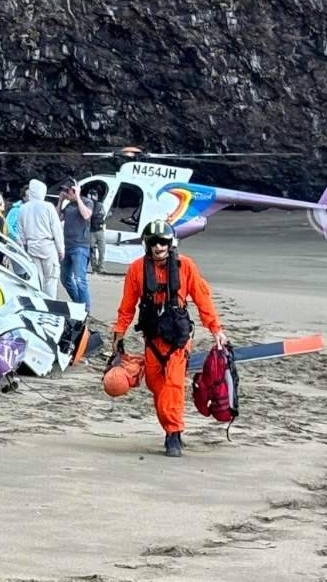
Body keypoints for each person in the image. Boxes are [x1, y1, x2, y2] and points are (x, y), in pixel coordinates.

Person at [110, 218, 228, 458]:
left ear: (170, 244)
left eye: (162, 242)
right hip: (153, 339)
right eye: (153, 242)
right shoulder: (135, 270)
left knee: (173, 385)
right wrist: (119, 335)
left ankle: (173, 435)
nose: (158, 247)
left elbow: (203, 299)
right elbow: (127, 307)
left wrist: (216, 329)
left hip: (178, 339)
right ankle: (170, 426)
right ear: (147, 244)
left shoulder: (186, 267)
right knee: (156, 385)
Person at [18, 179, 64, 297]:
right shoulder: (48, 207)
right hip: (47, 246)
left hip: (31, 247)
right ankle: (49, 302)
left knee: (37, 278)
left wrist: (24, 247)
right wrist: (61, 249)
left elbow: (21, 231)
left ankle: (38, 302)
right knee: (51, 278)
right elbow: (56, 229)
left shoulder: (23, 208)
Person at [58, 178, 93, 311]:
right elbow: (57, 218)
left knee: (80, 279)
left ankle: (86, 309)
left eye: (67, 191)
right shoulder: (68, 205)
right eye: (64, 191)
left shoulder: (86, 202)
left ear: (74, 190)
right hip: (67, 245)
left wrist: (78, 196)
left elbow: (86, 215)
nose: (65, 193)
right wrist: (60, 201)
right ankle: (79, 304)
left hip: (80, 246)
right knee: (65, 278)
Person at [87, 188, 106, 274]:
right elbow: (90, 215)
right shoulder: (88, 204)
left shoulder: (100, 205)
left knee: (102, 250)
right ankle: (94, 267)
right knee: (92, 250)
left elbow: (102, 214)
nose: (96, 197)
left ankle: (100, 267)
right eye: (94, 195)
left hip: (100, 230)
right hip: (92, 231)